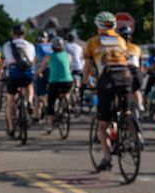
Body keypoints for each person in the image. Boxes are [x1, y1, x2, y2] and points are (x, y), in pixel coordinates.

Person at [82, 11, 139, 171]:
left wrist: (84, 84)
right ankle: (130, 130)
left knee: (103, 123)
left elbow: (87, 67)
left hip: (107, 78)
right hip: (126, 76)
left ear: (98, 26)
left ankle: (107, 156)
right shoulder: (121, 40)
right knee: (125, 110)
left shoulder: (93, 42)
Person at [3, 25, 38, 137]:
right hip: (27, 74)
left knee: (10, 102)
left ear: (13, 34)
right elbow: (33, 61)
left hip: (13, 75)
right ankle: (30, 101)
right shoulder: (30, 46)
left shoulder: (7, 45)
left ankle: (12, 128)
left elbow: (6, 61)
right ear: (24, 34)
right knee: (29, 85)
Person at [38, 36, 74, 131]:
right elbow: (70, 69)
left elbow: (41, 68)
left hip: (55, 82)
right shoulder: (68, 56)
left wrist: (38, 73)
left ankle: (50, 124)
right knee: (67, 91)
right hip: (68, 81)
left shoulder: (49, 57)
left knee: (51, 103)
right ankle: (66, 104)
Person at [33, 31, 53, 121]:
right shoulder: (51, 45)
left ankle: (36, 114)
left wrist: (35, 71)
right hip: (51, 70)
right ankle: (46, 107)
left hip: (41, 69)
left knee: (38, 94)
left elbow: (36, 59)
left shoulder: (38, 46)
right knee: (48, 92)